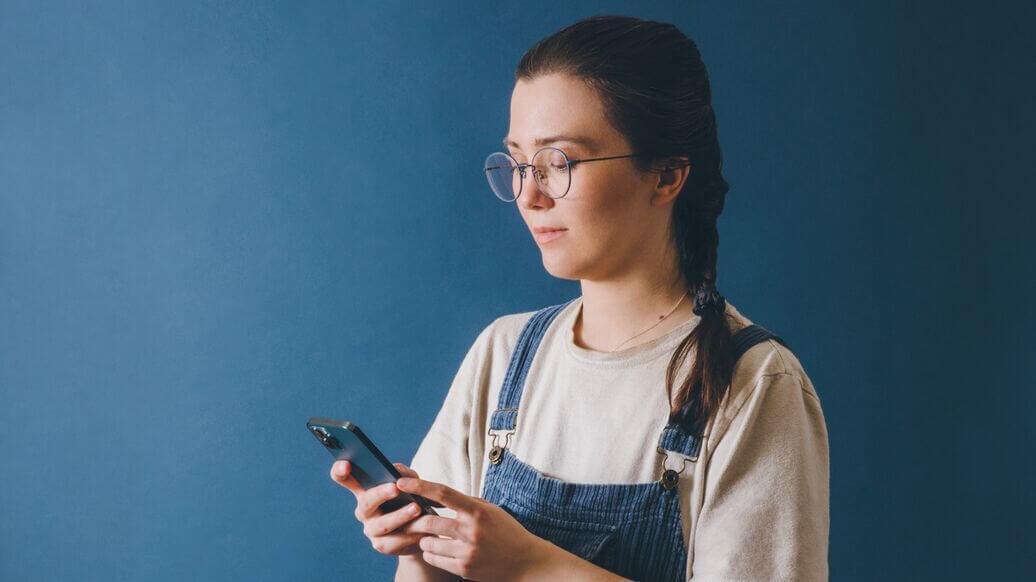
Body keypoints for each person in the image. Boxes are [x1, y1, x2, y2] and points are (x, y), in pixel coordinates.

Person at [330, 14, 829, 581]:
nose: (530, 195)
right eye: (519, 163)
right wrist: (422, 545)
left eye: (559, 162)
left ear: (666, 175)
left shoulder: (754, 383)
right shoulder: (503, 353)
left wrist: (528, 565)